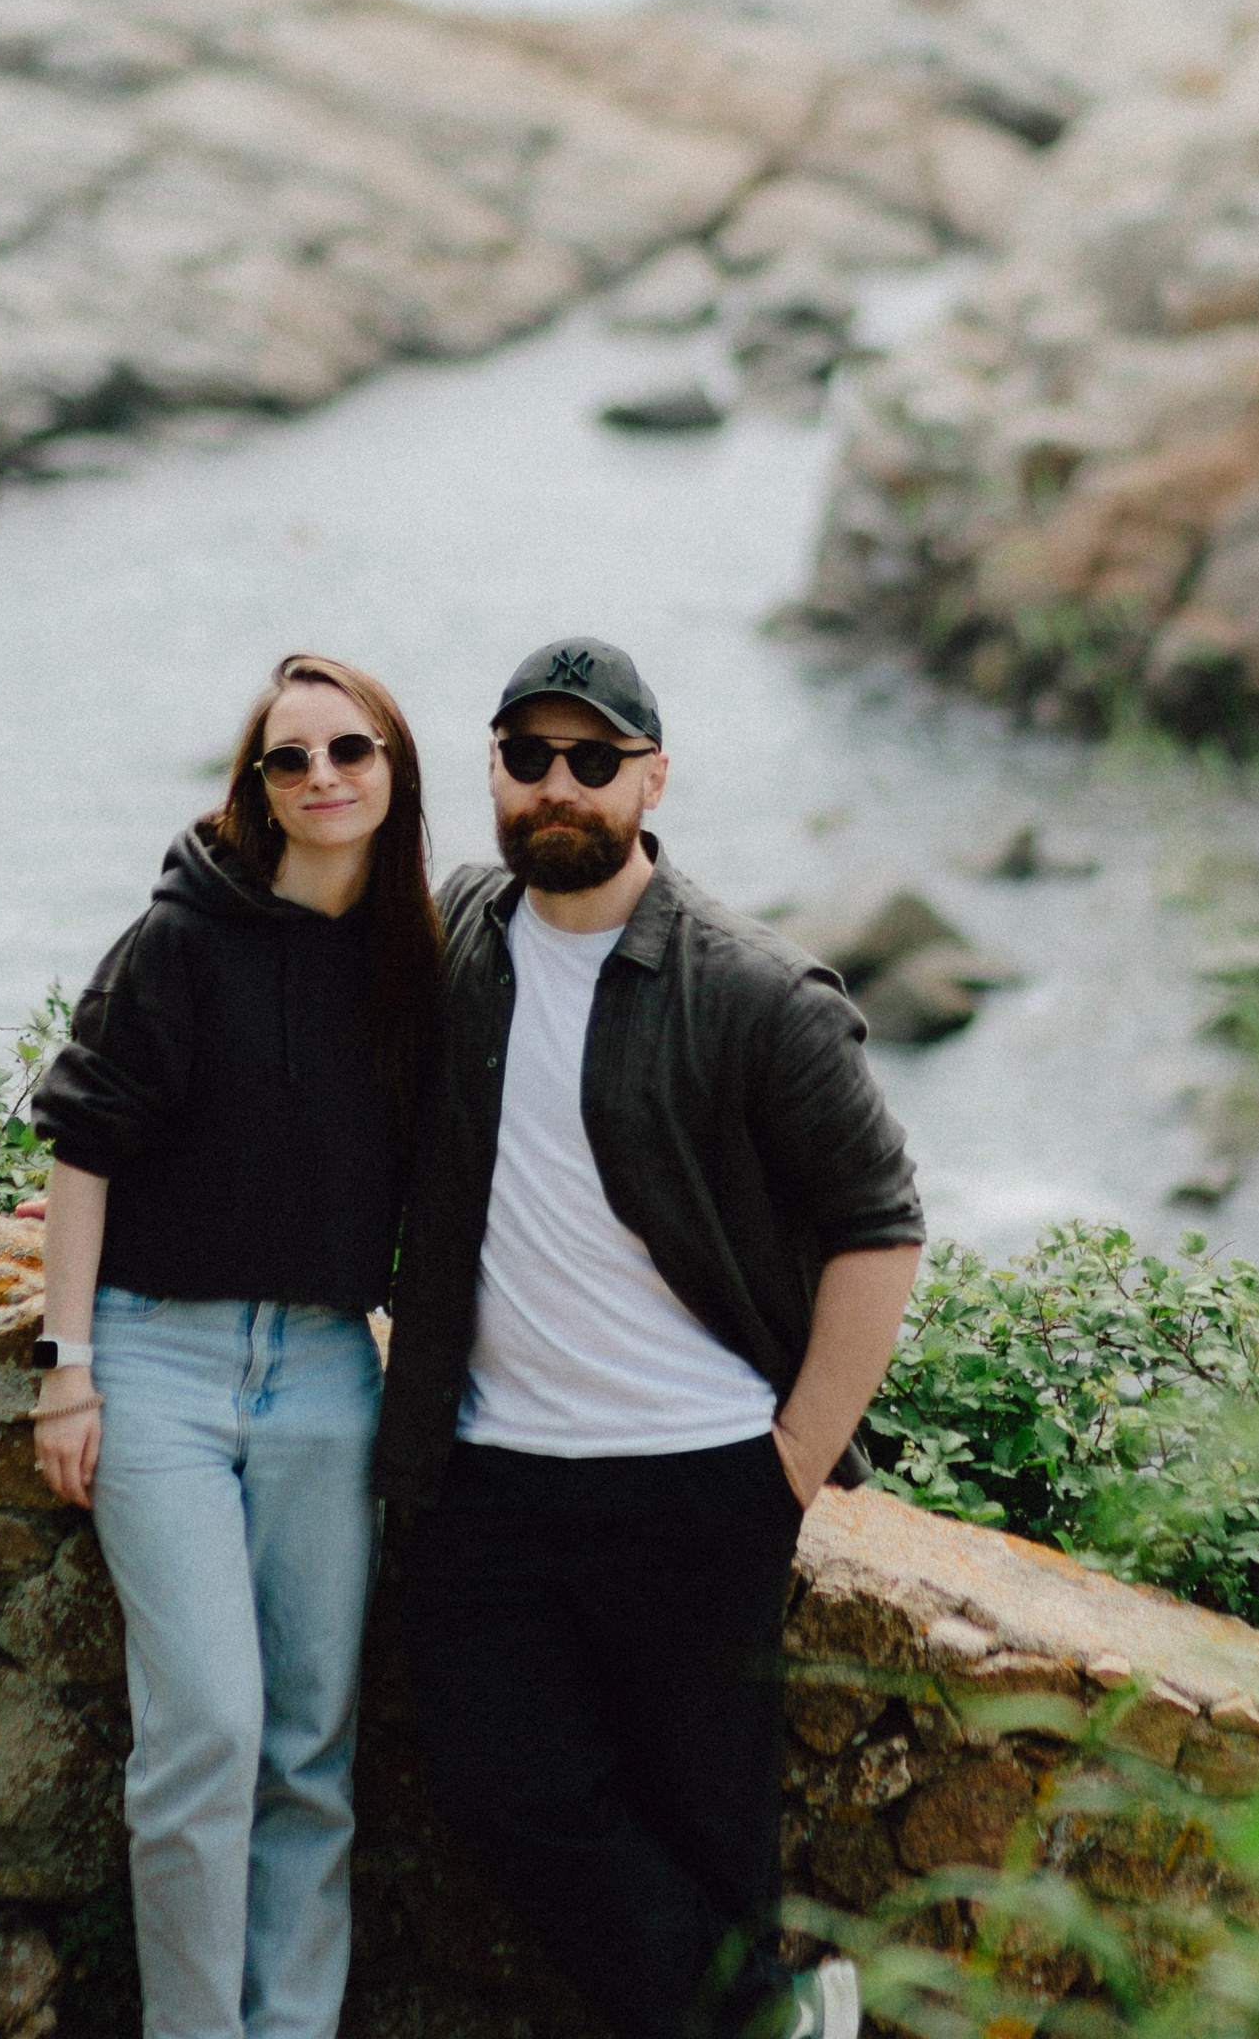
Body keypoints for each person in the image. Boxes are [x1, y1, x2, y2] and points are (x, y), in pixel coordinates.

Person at [374, 638, 924, 2039]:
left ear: (653, 778)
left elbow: (880, 1229)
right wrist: (133, 1190)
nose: (559, 785)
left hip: (696, 1482)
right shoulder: (458, 931)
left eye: (594, 759)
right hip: (482, 1479)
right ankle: (777, 2023)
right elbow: (306, 1054)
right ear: (493, 767)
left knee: (710, 1838)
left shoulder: (754, 992)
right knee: (501, 1788)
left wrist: (789, 1466)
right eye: (529, 756)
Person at [21, 652, 441, 2039]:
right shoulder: (183, 937)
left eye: (350, 750)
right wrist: (66, 1370)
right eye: (290, 757)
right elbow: (85, 1147)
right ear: (257, 787)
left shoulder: (419, 963)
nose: (324, 777)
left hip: (327, 1374)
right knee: (207, 1728)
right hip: (158, 1365)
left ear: (394, 768)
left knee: (311, 1748)